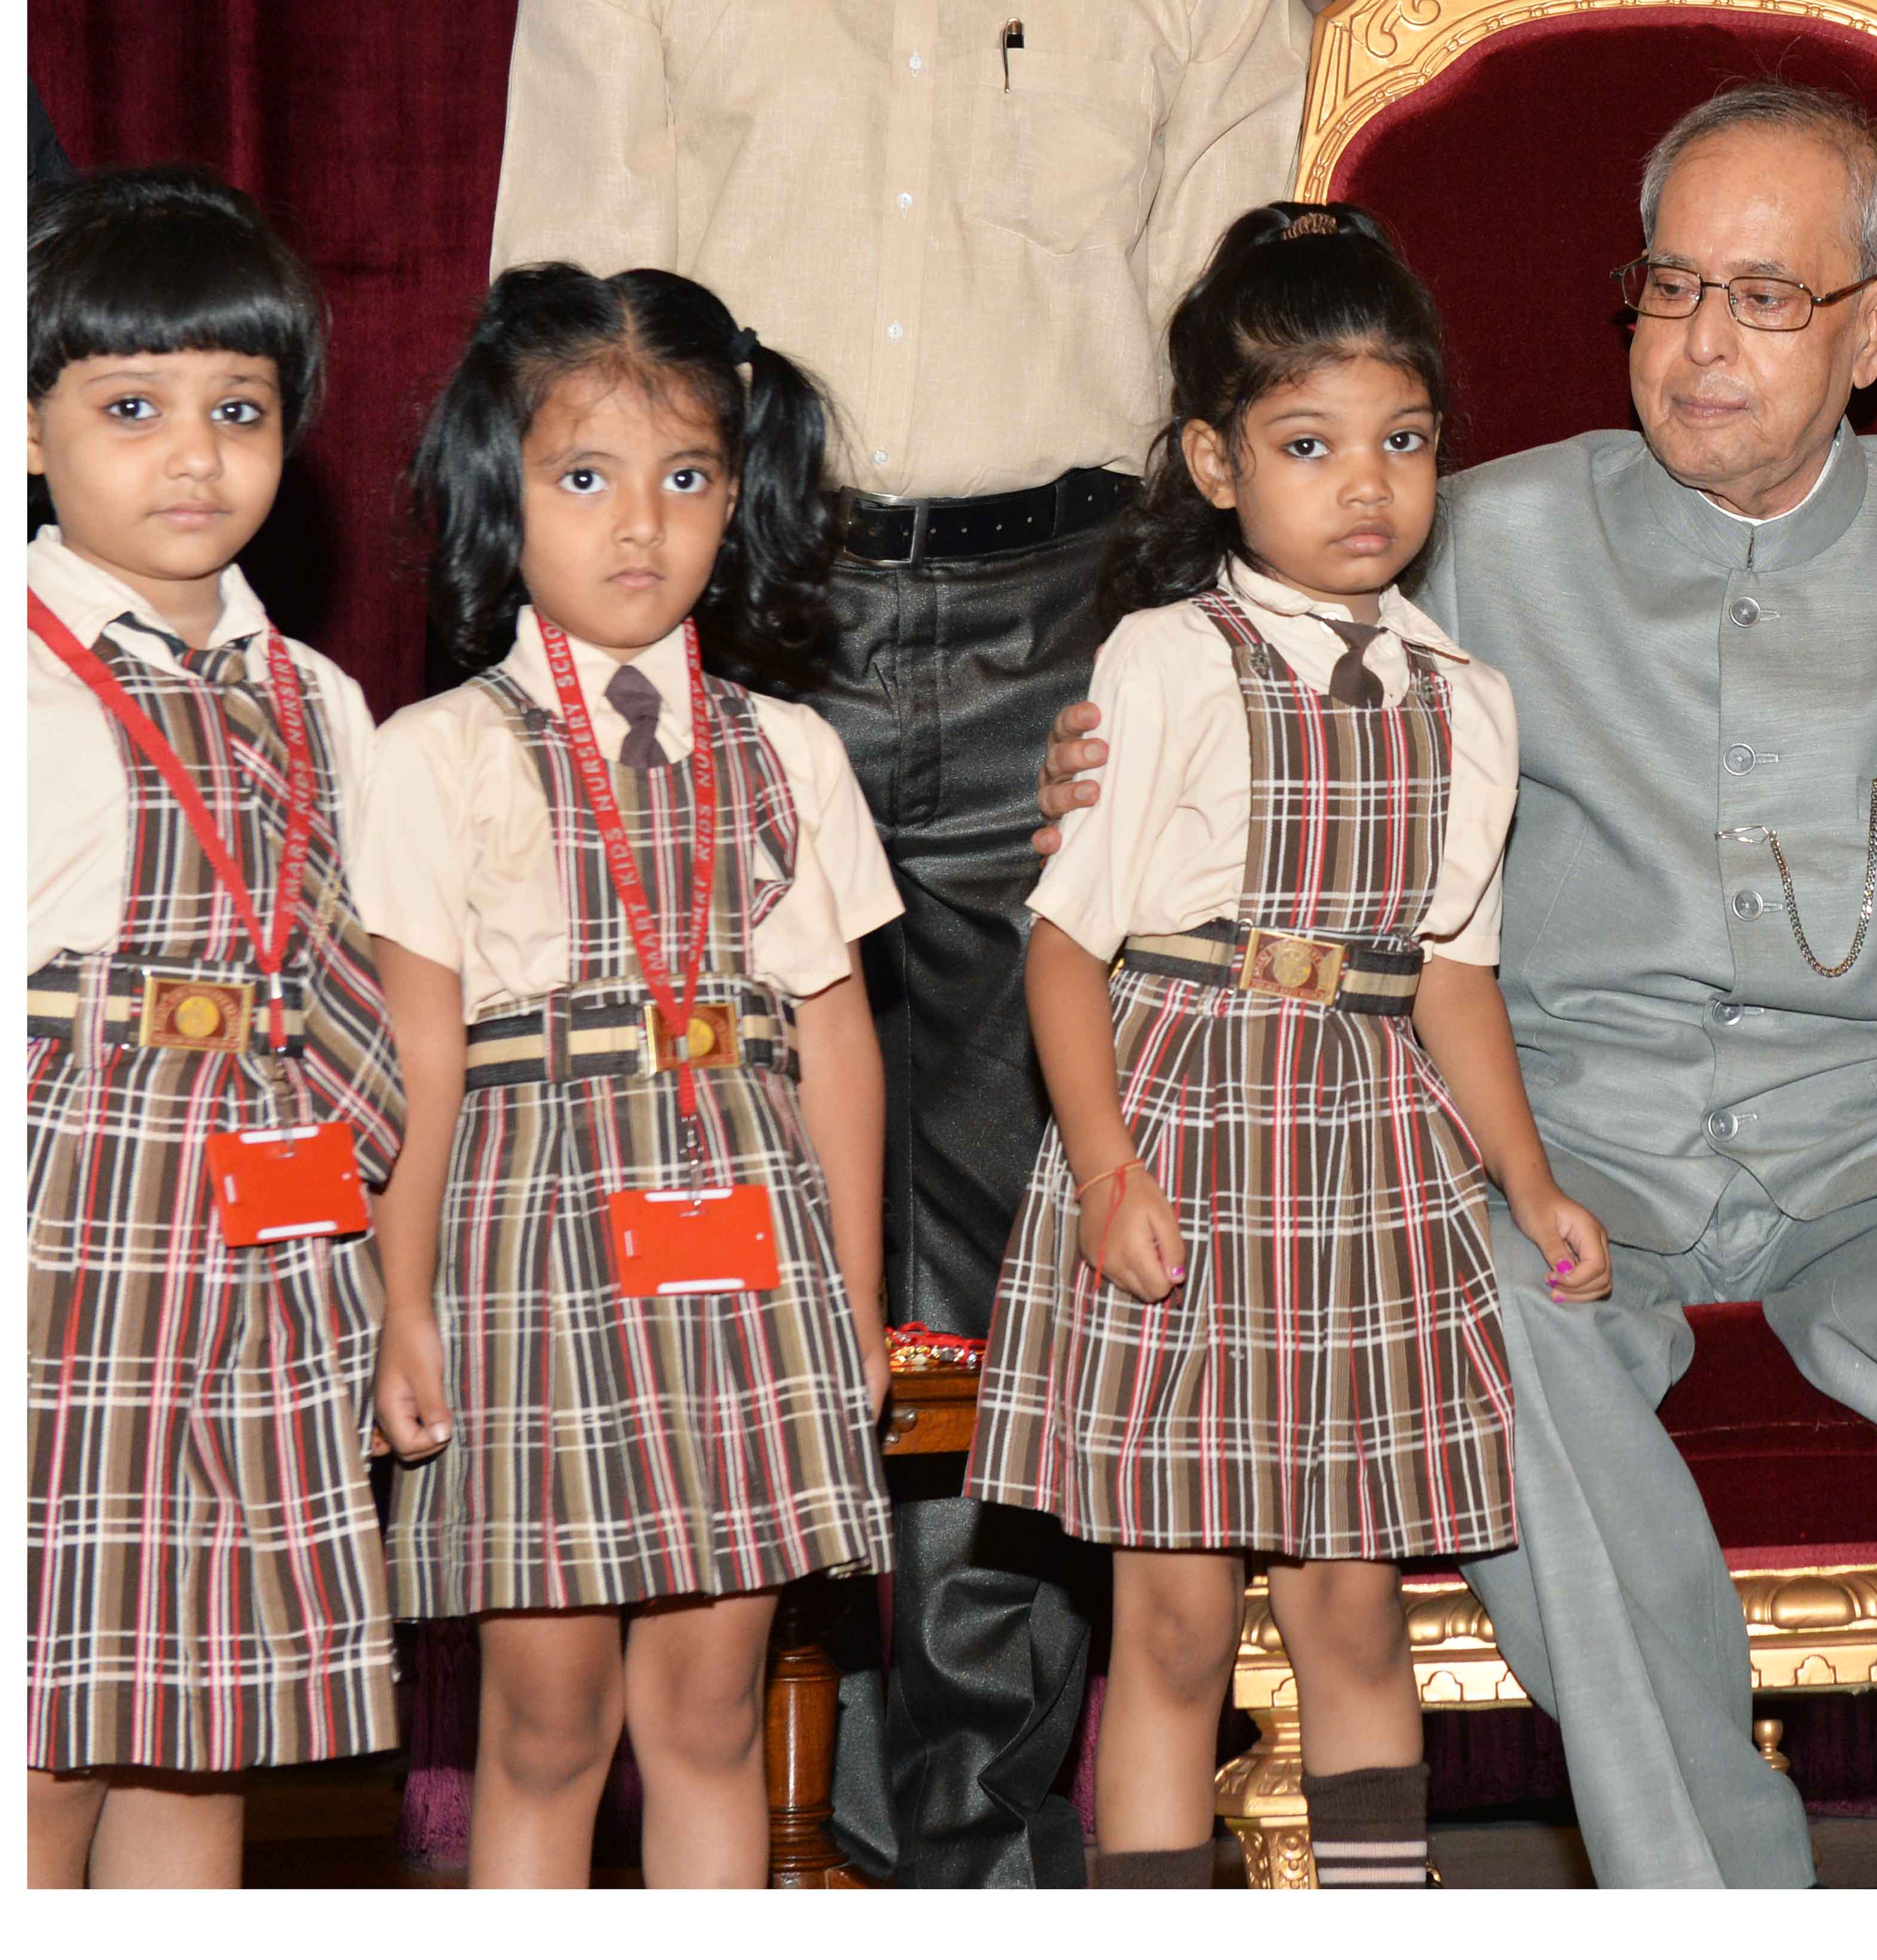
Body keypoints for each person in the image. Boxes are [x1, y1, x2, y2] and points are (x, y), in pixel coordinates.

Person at [1043, 82, 1877, 1889]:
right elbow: (1223, 709)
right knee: (1466, 1292)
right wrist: (1103, 766)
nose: (1701, 344)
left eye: (1767, 299)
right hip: (1565, 1126)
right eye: (1671, 287)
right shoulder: (1462, 539)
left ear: (1876, 328)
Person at [484, 1, 1313, 1884]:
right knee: (723, 1226)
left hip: (1080, 617)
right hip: (742, 600)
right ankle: (752, 1813)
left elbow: (1240, 357)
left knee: (1038, 1255)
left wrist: (1205, 675)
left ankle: (967, 1842)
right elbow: (563, 334)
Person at [969, 203, 1611, 1888]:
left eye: (1402, 441)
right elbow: (1063, 953)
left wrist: (1530, 1185)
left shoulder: (1466, 694)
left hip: (1370, 1174)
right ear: (1215, 461)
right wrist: (1109, 1175)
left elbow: (1453, 978)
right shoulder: (1167, 662)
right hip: (1185, 1139)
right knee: (1174, 1625)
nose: (1366, 485)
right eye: (1309, 444)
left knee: (1356, 1616)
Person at [359, 265, 900, 1888]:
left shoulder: (788, 750)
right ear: (498, 492)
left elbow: (841, 1039)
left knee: (715, 1709)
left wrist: (859, 1304)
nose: (641, 526)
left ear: (740, 497)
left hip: (751, 1255)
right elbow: (419, 1060)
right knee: (542, 1721)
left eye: (688, 480)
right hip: (528, 1260)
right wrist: (403, 1305)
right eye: (583, 478)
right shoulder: (434, 755)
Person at [25, 166, 405, 1888]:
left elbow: (381, 986)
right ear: (31, 435)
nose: (194, 455)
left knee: (204, 1708)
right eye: (132, 408)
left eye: (238, 409)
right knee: (44, 1717)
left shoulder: (317, 695)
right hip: (62, 1257)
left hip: (268, 1253)